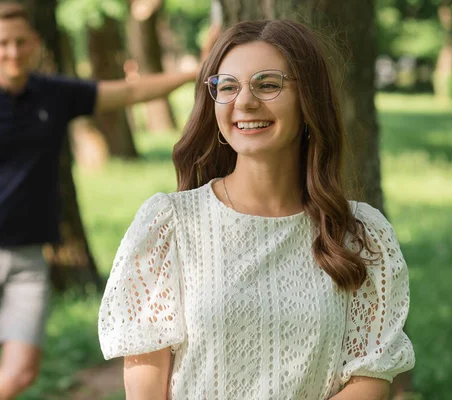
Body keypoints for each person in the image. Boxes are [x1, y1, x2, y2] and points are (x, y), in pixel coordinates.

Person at [0, 2, 207, 399]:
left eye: (21, 42)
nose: (13, 51)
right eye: (3, 44)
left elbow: (131, 90)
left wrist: (197, 73)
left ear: (35, 44)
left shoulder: (54, 95)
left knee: (21, 372)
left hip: (29, 259)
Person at [98, 20, 415, 399]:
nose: (244, 102)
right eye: (228, 86)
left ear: (309, 100)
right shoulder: (169, 224)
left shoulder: (360, 234)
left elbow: (370, 378)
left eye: (268, 84)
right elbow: (145, 388)